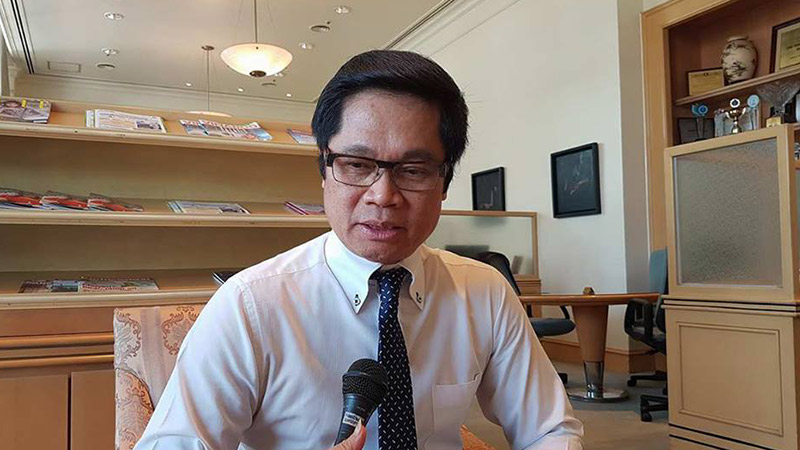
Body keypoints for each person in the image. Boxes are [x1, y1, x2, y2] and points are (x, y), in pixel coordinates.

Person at [135, 50, 583, 450]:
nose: (383, 196)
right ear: (324, 171)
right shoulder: (250, 304)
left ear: (444, 182)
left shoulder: (484, 293)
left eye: (413, 169)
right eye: (356, 165)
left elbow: (549, 430)